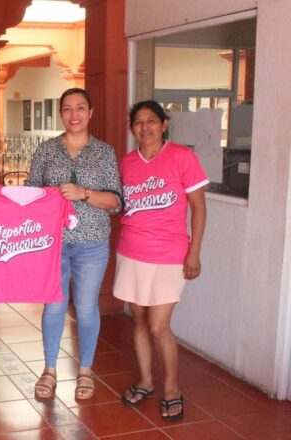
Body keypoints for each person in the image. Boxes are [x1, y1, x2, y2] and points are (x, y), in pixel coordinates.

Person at [26, 88, 121, 401]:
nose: (74, 114)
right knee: (53, 305)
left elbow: (116, 202)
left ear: (91, 112)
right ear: (60, 114)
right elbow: (30, 194)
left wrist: (84, 194)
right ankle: (49, 369)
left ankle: (85, 371)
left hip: (92, 243)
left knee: (86, 307)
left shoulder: (104, 152)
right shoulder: (47, 149)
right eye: (67, 108)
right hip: (53, 243)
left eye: (80, 107)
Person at [115, 100, 207, 422]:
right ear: (132, 129)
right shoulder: (127, 163)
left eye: (151, 120)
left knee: (158, 325)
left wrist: (194, 252)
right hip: (131, 251)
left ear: (164, 124)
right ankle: (146, 382)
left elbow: (199, 208)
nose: (145, 127)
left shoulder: (183, 157)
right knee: (139, 319)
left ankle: (171, 388)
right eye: (138, 122)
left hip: (169, 254)